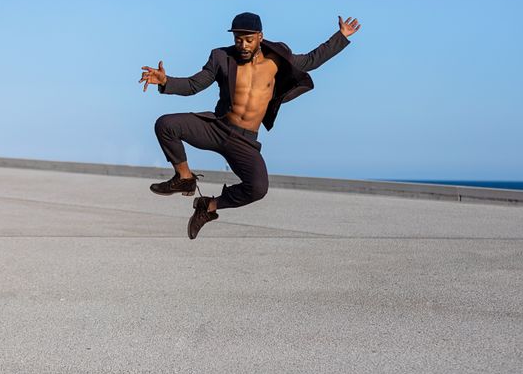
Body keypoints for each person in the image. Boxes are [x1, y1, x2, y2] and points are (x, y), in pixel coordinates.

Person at [139, 12, 360, 239]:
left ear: (260, 37)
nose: (242, 45)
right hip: (217, 128)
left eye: (248, 40)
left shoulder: (277, 58)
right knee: (166, 124)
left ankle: (208, 206)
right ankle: (184, 179)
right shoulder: (220, 57)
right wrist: (166, 81)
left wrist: (341, 36)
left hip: (244, 140)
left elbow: (312, 60)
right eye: (238, 39)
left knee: (257, 188)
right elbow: (194, 85)